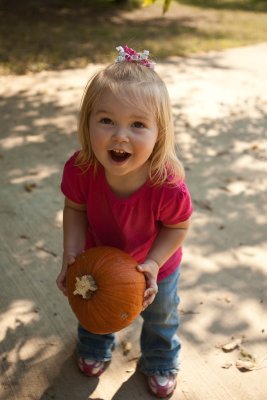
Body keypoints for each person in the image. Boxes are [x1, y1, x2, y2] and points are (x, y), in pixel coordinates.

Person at [56, 45, 193, 398]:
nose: (121, 135)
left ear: (159, 132)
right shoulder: (82, 169)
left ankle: (161, 359)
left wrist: (152, 262)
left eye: (137, 124)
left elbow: (176, 227)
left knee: (161, 317)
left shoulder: (166, 185)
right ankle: (95, 344)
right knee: (92, 307)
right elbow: (75, 208)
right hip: (98, 258)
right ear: (86, 123)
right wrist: (71, 253)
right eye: (106, 120)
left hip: (155, 266)